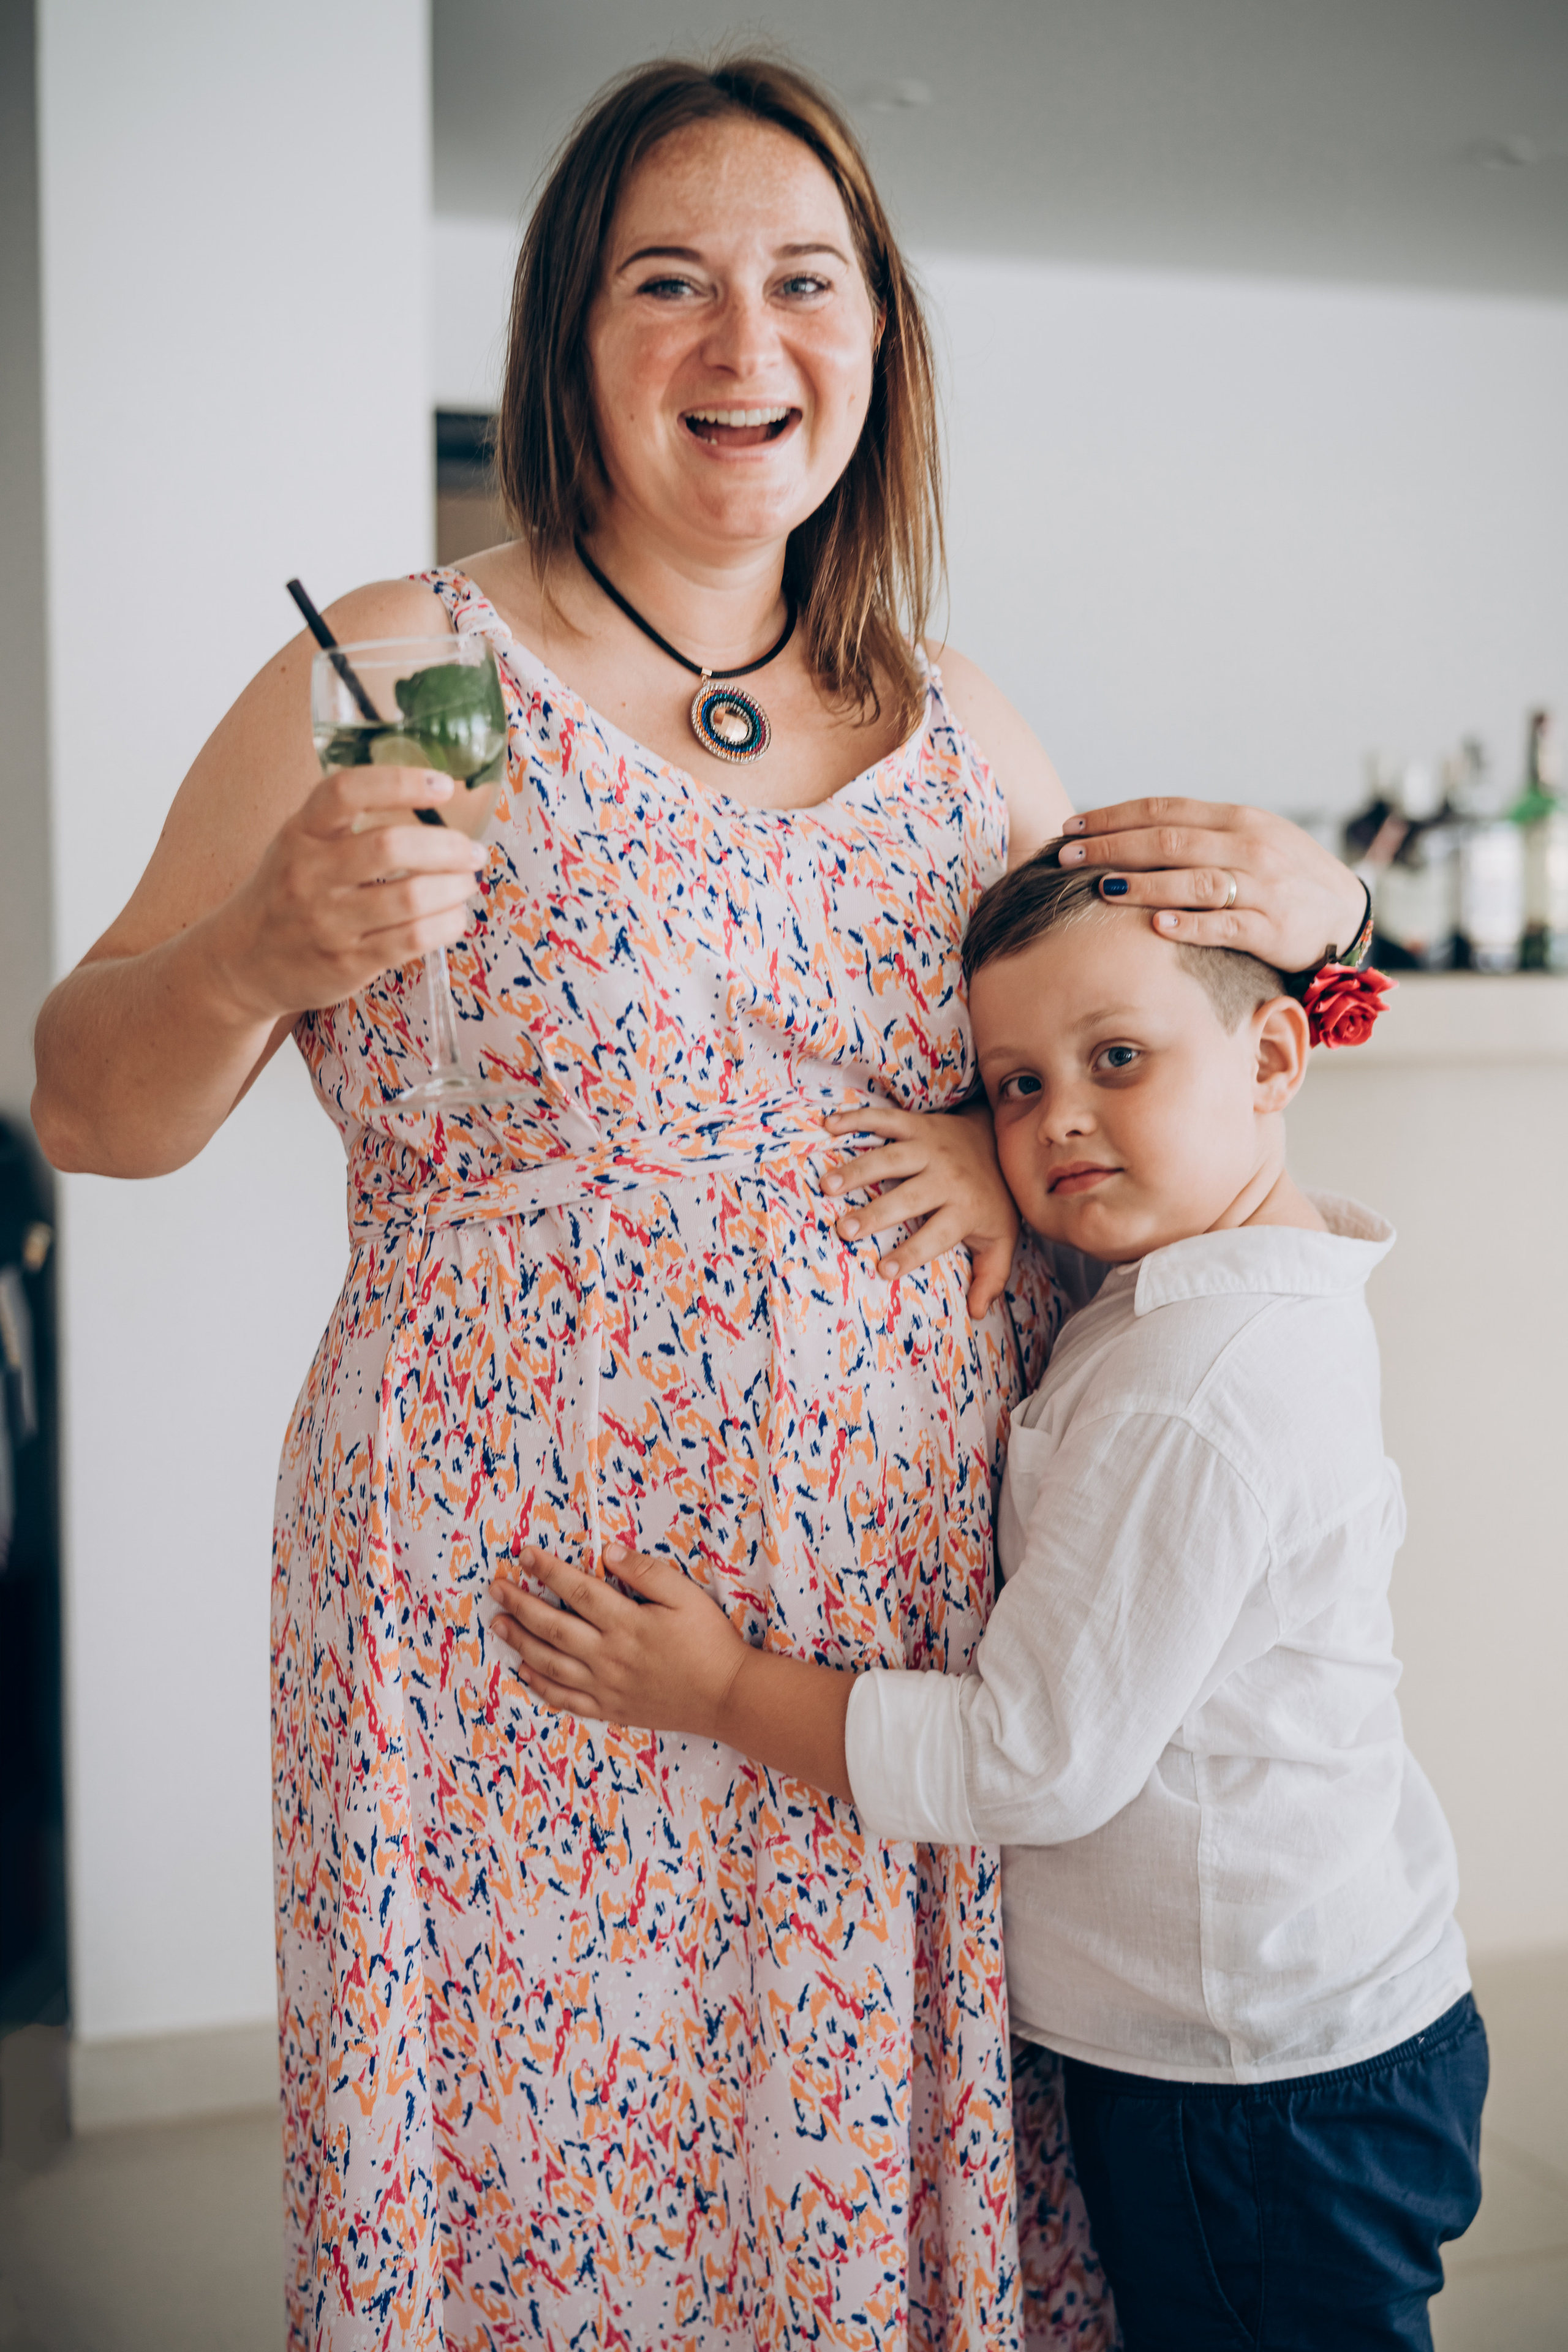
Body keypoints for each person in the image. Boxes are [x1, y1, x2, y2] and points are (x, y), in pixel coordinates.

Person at [30, 55, 1373, 2352]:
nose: (744, 349)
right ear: (573, 341)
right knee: (554, 2219)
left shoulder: (962, 723)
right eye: (670, 285)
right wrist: (262, 950)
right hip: (503, 1635)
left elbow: (1176, 1091)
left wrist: (1232, 987)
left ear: (880, 345)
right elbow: (82, 1101)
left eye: (804, 285)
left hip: (887, 1654)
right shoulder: (395, 667)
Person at [494, 856, 1484, 2352]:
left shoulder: (1197, 1394)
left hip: (1252, 2077)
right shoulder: (1224, 1291)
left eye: (1115, 1061)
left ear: (1273, 1056)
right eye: (1011, 1085)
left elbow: (1030, 1760)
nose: (1054, 1119)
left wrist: (715, 1692)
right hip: (1309, 2025)